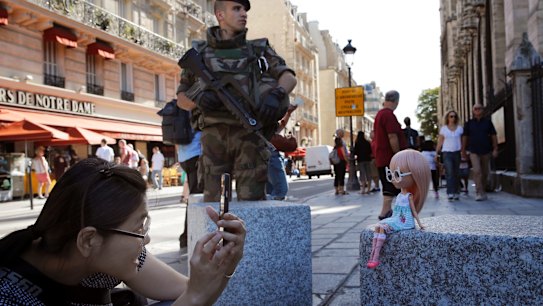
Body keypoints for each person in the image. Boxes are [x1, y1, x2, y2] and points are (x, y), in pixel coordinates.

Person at [0, 158, 246, 305]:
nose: (146, 238)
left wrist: (223, 267)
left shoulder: (102, 260)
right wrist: (195, 295)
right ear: (88, 239)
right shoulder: (11, 297)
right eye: (139, 228)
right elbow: (193, 297)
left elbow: (190, 291)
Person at [176, 0, 297, 202]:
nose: (244, 14)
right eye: (237, 8)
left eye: (245, 10)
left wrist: (277, 95)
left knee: (252, 201)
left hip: (249, 138)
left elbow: (289, 78)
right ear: (220, 15)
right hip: (214, 139)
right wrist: (199, 98)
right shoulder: (201, 54)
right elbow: (181, 98)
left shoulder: (258, 49)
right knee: (213, 203)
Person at [366, 150, 430, 269]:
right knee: (378, 226)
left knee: (382, 227)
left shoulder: (408, 196)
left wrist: (420, 224)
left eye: (398, 174)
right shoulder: (400, 195)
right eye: (390, 174)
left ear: (415, 175)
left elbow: (414, 212)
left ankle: (375, 258)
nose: (393, 179)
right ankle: (372, 257)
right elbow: (396, 212)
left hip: (405, 222)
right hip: (397, 218)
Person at [373, 90, 407, 220]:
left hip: (382, 156)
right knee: (394, 183)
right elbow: (392, 136)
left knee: (390, 184)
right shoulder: (388, 115)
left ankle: (387, 212)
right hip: (390, 157)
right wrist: (398, 155)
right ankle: (385, 213)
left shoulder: (380, 114)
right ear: (396, 101)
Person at [462, 104, 498, 201]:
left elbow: (494, 135)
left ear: (482, 110)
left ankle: (483, 190)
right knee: (477, 171)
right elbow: (465, 137)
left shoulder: (488, 122)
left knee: (485, 172)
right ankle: (479, 192)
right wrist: (463, 150)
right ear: (473, 111)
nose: (477, 110)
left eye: (479, 108)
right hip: (473, 150)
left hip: (486, 150)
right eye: (475, 109)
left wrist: (495, 148)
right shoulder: (469, 123)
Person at [177, 128, 203, 249]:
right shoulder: (195, 109)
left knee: (194, 196)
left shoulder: (181, 109)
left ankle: (186, 237)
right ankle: (188, 237)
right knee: (195, 197)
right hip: (195, 154)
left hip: (184, 155)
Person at [267, 104, 298, 200]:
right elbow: (280, 126)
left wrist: (288, 113)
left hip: (267, 153)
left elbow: (281, 125)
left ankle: (270, 207)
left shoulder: (268, 125)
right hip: (270, 153)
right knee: (280, 190)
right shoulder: (267, 121)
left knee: (272, 190)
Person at [436, 110, 463, 201]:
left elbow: (463, 141)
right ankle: (450, 192)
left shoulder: (459, 128)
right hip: (447, 153)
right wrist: (437, 152)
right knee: (450, 172)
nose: (453, 118)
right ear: (447, 118)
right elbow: (440, 141)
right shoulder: (444, 129)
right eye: (451, 116)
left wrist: (463, 152)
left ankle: (457, 192)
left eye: (454, 116)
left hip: (457, 152)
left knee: (456, 173)